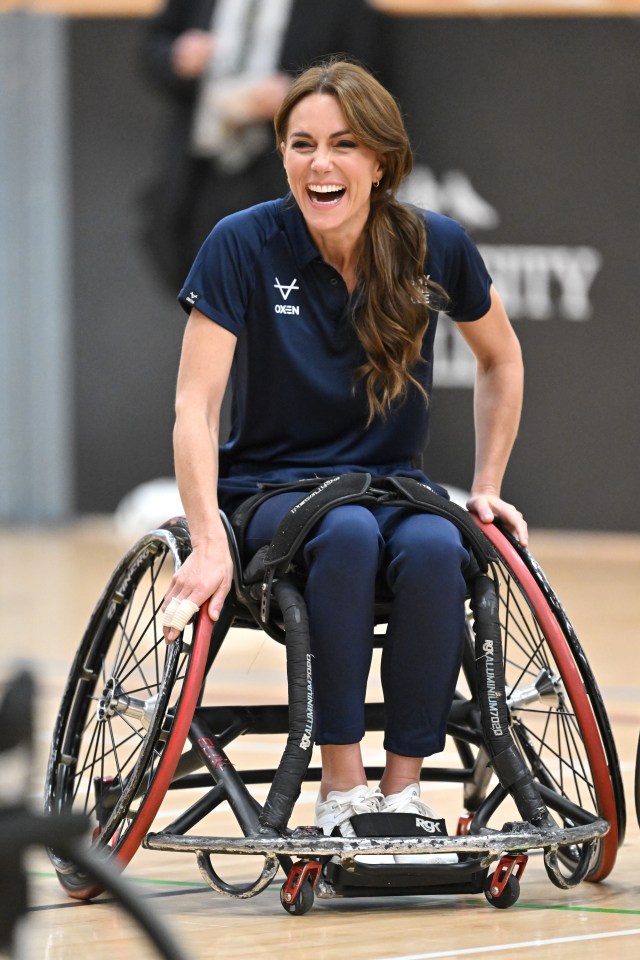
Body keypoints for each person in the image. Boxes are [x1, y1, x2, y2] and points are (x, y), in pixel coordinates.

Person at [161, 59, 528, 856]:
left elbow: (502, 359)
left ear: (381, 162)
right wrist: (208, 533)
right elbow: (195, 405)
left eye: (344, 145)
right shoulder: (242, 243)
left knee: (439, 546)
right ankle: (340, 786)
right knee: (348, 534)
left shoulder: (435, 245)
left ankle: (403, 795)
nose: (320, 164)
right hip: (272, 493)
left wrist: (488, 485)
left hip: (394, 488)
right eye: (301, 144)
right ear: (283, 154)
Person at [138, 0, 383, 291]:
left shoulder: (339, 8)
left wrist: (297, 99)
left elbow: (367, 81)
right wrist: (177, 56)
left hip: (286, 178)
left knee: (287, 303)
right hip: (201, 171)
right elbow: (152, 46)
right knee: (208, 300)